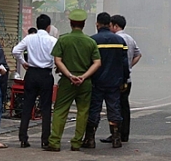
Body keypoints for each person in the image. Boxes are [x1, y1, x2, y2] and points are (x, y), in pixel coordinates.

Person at [44, 9, 101, 152]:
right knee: (83, 112)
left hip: (66, 81)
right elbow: (97, 63)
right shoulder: (91, 42)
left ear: (70, 23)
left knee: (60, 111)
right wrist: (84, 76)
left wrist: (70, 75)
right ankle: (76, 143)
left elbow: (57, 60)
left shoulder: (63, 39)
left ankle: (55, 142)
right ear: (84, 24)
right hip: (85, 82)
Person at [82, 12, 129, 149]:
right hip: (114, 82)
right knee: (114, 109)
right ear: (109, 24)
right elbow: (125, 64)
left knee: (94, 110)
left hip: (96, 82)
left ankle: (90, 139)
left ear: (97, 24)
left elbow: (87, 62)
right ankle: (116, 139)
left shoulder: (92, 40)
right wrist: (124, 80)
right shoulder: (120, 41)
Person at [12, 14, 57, 149]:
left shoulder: (29, 38)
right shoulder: (53, 40)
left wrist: (23, 62)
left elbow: (15, 51)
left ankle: (23, 138)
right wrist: (54, 64)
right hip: (45, 74)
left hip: (31, 73)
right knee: (46, 108)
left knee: (27, 105)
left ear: (37, 25)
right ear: (49, 27)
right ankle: (45, 139)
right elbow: (57, 57)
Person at [100, 15, 142, 143]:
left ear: (115, 25)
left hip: (117, 79)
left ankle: (115, 134)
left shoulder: (116, 39)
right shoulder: (130, 38)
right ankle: (124, 134)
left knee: (114, 107)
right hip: (127, 78)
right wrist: (129, 66)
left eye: (110, 25)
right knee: (124, 106)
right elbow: (138, 54)